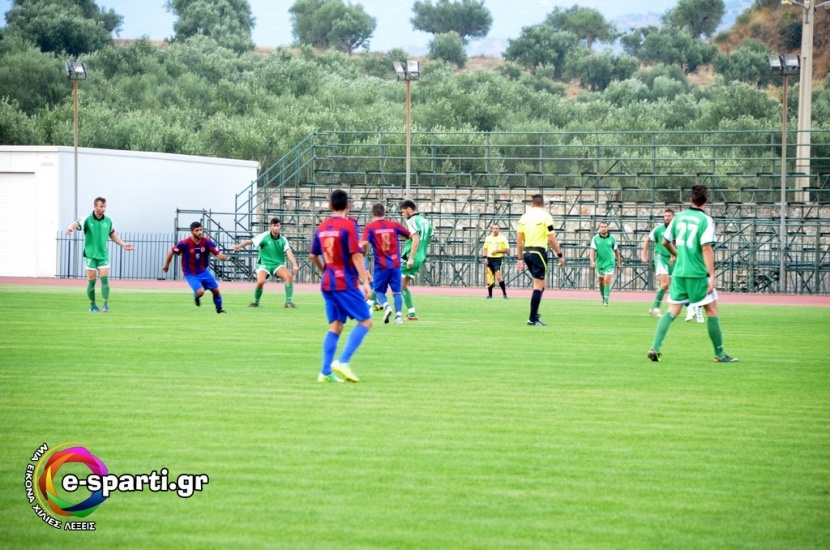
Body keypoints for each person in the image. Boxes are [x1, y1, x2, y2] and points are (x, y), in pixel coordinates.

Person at [648, 185, 738, 363]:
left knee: (672, 311)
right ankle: (719, 354)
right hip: (697, 273)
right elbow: (706, 248)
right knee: (712, 310)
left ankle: (655, 348)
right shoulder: (706, 220)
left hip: (680, 273)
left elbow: (665, 242)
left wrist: (678, 255)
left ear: (690, 200)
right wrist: (712, 275)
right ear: (707, 200)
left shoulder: (678, 217)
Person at [310, 190, 373, 383]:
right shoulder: (348, 226)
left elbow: (313, 255)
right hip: (344, 282)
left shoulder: (321, 227)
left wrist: (325, 271)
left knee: (335, 326)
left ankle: (325, 372)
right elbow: (356, 254)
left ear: (330, 206)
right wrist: (365, 282)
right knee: (366, 321)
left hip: (328, 282)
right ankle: (343, 361)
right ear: (348, 206)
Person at [65, 197, 134, 312]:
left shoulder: (108, 221)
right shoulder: (87, 218)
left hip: (103, 255)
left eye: (105, 206)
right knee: (91, 281)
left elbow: (112, 235)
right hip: (90, 255)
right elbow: (76, 224)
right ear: (95, 207)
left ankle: (106, 305)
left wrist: (123, 244)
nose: (103, 209)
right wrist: (70, 228)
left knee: (105, 280)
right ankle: (92, 306)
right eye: (101, 206)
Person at [642, 209, 703, 323]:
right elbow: (647, 240)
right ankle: (655, 307)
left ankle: (689, 309)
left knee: (678, 284)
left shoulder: (678, 229)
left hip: (675, 259)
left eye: (669, 216)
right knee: (665, 284)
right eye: (665, 216)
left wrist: (674, 254)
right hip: (661, 257)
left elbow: (678, 243)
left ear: (673, 217)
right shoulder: (658, 229)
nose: (666, 218)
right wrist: (644, 255)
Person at [516, 194, 565, 326]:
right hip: (538, 251)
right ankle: (532, 319)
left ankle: (535, 315)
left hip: (527, 252)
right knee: (539, 285)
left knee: (540, 284)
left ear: (532, 204)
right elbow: (551, 238)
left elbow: (519, 239)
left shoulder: (524, 217)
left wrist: (519, 257)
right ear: (543, 204)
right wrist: (560, 255)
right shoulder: (546, 217)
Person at [161, 221, 230, 314]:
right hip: (190, 273)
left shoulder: (207, 242)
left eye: (201, 230)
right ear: (192, 232)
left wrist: (224, 257)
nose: (200, 232)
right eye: (197, 230)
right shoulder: (185, 243)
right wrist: (166, 265)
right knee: (201, 292)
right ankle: (197, 296)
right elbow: (172, 251)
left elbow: (218, 255)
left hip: (204, 271)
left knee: (216, 291)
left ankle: (219, 310)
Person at [360, 203, 412, 325]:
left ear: (372, 214)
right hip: (395, 264)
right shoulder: (393, 225)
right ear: (385, 213)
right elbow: (410, 235)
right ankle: (398, 316)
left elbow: (364, 243)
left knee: (378, 291)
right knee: (397, 292)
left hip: (381, 265)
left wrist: (364, 254)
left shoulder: (370, 227)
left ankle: (387, 306)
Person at [231, 218, 300, 308]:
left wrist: (295, 265)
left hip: (277, 265)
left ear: (280, 227)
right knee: (260, 282)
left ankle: (288, 302)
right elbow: (250, 241)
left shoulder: (283, 240)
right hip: (264, 264)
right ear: (271, 226)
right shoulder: (264, 236)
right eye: (274, 226)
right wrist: (238, 246)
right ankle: (256, 302)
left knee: (289, 276)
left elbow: (288, 252)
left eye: (278, 226)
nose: (276, 228)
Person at [399, 199, 433, 321]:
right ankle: (412, 314)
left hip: (410, 257)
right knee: (402, 286)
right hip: (420, 257)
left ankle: (368, 305)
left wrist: (411, 258)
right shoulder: (425, 221)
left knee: (386, 276)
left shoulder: (412, 220)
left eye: (403, 212)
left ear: (409, 209)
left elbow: (416, 239)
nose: (403, 214)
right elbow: (429, 239)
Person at [589, 221, 621, 306]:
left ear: (607, 228)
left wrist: (618, 263)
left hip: (610, 263)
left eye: (605, 227)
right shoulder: (595, 238)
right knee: (601, 282)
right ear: (599, 228)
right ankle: (603, 298)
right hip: (600, 263)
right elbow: (592, 250)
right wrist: (592, 261)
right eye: (601, 227)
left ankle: (606, 300)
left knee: (607, 280)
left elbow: (616, 251)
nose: (603, 228)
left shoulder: (612, 238)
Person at [482, 223, 509, 299]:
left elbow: (507, 250)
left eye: (497, 228)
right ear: (491, 229)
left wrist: (497, 251)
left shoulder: (502, 238)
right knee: (489, 277)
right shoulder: (488, 238)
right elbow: (485, 248)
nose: (495, 230)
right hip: (489, 259)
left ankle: (504, 294)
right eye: (494, 228)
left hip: (498, 259)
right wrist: (485, 257)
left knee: (498, 276)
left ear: (499, 229)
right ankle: (490, 295)